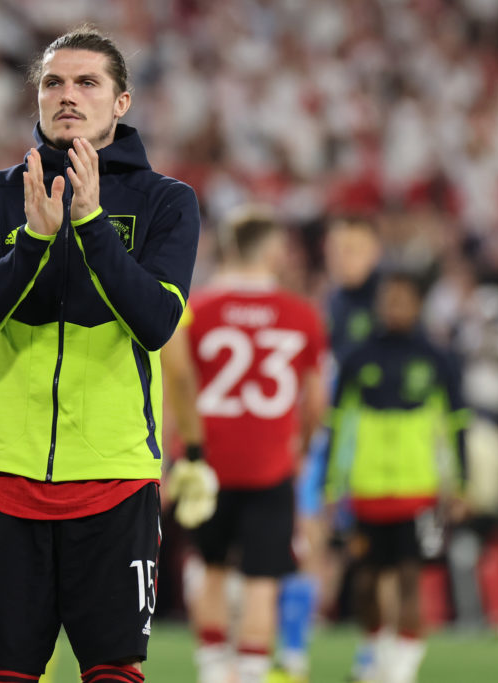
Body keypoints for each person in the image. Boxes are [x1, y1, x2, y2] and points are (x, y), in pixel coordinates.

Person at [0, 25, 200, 683]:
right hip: (8, 476)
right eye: (53, 82)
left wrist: (89, 227)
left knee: (112, 672)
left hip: (115, 478)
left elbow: (156, 321)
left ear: (121, 102)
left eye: (88, 82)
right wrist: (31, 243)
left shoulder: (167, 202)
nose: (67, 95)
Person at [161, 207, 327, 683]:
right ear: (273, 250)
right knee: (262, 581)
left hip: (206, 458)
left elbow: (177, 384)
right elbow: (316, 400)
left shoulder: (195, 309)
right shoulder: (301, 314)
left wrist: (170, 457)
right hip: (271, 463)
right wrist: (301, 445)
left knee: (210, 568)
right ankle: (252, 673)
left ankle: (214, 671)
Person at [324, 272, 468, 683]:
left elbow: (456, 425)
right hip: (367, 489)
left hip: (416, 489)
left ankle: (401, 668)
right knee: (366, 584)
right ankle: (374, 650)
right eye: (388, 300)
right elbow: (339, 426)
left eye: (402, 301)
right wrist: (333, 485)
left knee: (410, 577)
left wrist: (459, 485)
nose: (393, 308)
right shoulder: (358, 358)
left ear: (417, 306)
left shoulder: (438, 359)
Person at [278, 215, 385, 680]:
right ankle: (294, 651)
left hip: (371, 446)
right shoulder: (327, 306)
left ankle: (372, 655)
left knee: (368, 550)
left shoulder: (386, 308)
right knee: (307, 541)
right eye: (338, 249)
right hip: (324, 443)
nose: (344, 258)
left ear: (374, 253)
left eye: (354, 249)